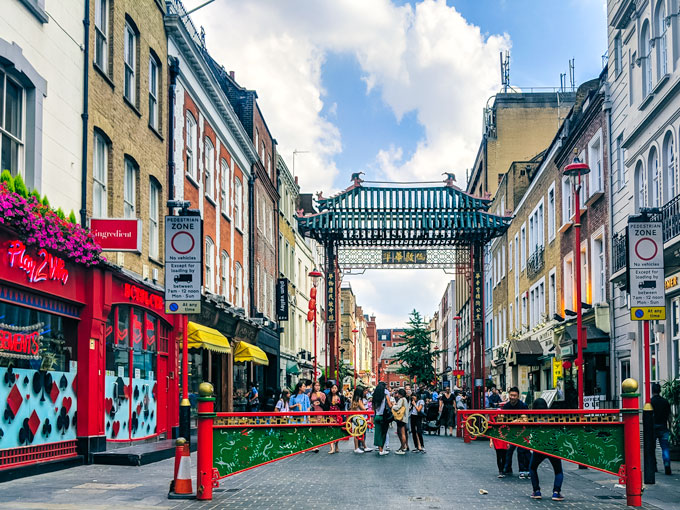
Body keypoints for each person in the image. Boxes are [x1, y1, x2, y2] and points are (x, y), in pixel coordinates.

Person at [528, 398, 564, 500]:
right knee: (558, 471)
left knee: (532, 468)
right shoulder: (552, 417)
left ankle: (537, 491)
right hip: (553, 447)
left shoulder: (533, 418)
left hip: (539, 448)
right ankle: (556, 492)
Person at [502, 387, 530, 478]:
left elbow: (526, 418)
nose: (512, 397)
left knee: (522, 451)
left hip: (522, 431)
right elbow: (503, 419)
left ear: (518, 396)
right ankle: (507, 468)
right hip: (511, 432)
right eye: (511, 395)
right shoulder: (506, 406)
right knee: (508, 450)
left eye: (514, 395)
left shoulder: (523, 406)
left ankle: (524, 469)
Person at [651, 382, 673, 475]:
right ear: (660, 391)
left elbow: (648, 416)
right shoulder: (665, 402)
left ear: (652, 391)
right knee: (665, 448)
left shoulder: (650, 402)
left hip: (653, 427)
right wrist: (670, 426)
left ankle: (654, 466)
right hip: (663, 427)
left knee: (651, 448)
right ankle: (667, 465)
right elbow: (669, 416)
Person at [372, 381, 392, 455]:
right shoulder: (385, 396)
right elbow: (389, 405)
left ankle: (379, 449)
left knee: (378, 433)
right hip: (384, 417)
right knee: (383, 433)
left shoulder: (375, 396)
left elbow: (373, 407)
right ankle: (381, 450)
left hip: (377, 416)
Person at [350, 388, 372, 453]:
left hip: (355, 417)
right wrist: (366, 408)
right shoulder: (359, 400)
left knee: (357, 433)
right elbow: (363, 408)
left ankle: (363, 446)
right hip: (359, 417)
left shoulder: (354, 399)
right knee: (359, 433)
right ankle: (358, 448)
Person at [325, 383, 345, 453]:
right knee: (331, 430)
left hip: (338, 414)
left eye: (335, 388)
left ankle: (336, 445)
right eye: (332, 388)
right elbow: (326, 406)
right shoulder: (328, 396)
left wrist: (338, 403)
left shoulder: (341, 396)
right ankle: (332, 448)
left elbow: (343, 406)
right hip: (330, 414)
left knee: (337, 430)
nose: (334, 389)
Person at [392, 388, 410, 454]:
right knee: (402, 433)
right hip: (404, 418)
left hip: (401, 418)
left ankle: (403, 448)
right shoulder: (405, 400)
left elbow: (397, 407)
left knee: (402, 433)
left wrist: (393, 405)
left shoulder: (401, 400)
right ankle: (403, 447)